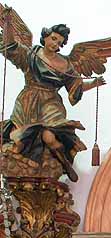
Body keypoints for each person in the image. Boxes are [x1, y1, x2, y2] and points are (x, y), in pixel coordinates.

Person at [0, 22, 105, 182]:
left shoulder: (65, 64)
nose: (55, 44)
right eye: (53, 38)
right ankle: (24, 163)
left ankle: (65, 163)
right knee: (21, 139)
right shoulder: (31, 54)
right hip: (28, 101)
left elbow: (75, 87)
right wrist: (7, 23)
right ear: (46, 37)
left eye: (59, 42)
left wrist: (93, 84)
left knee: (50, 136)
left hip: (50, 103)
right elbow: (11, 47)